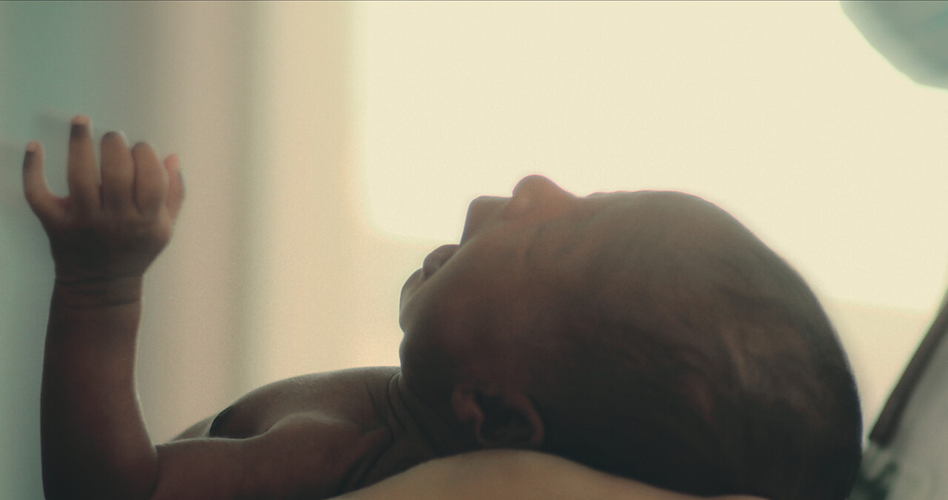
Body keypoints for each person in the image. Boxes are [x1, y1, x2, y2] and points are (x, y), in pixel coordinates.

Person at [26, 116, 861, 500]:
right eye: (584, 200)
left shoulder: (348, 454)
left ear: (493, 413)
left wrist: (102, 290)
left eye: (552, 240)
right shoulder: (409, 421)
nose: (535, 188)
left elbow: (108, 492)